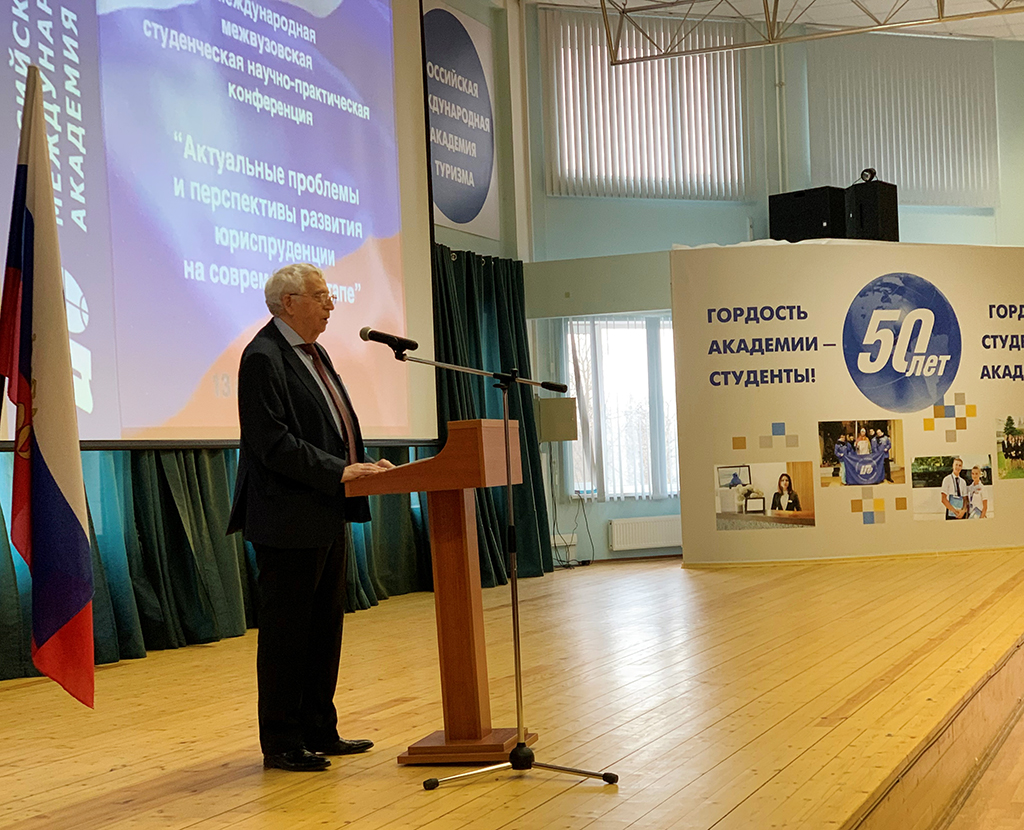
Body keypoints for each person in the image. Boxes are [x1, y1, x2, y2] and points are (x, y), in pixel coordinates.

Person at [227, 262, 394, 772]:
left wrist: (363, 466)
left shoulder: (315, 353)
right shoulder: (263, 356)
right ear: (289, 303)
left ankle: (320, 729)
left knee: (324, 628)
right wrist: (340, 470)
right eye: (320, 296)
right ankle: (281, 742)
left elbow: (331, 428)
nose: (330, 304)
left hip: (325, 509)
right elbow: (271, 442)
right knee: (287, 634)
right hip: (287, 518)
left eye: (329, 295)